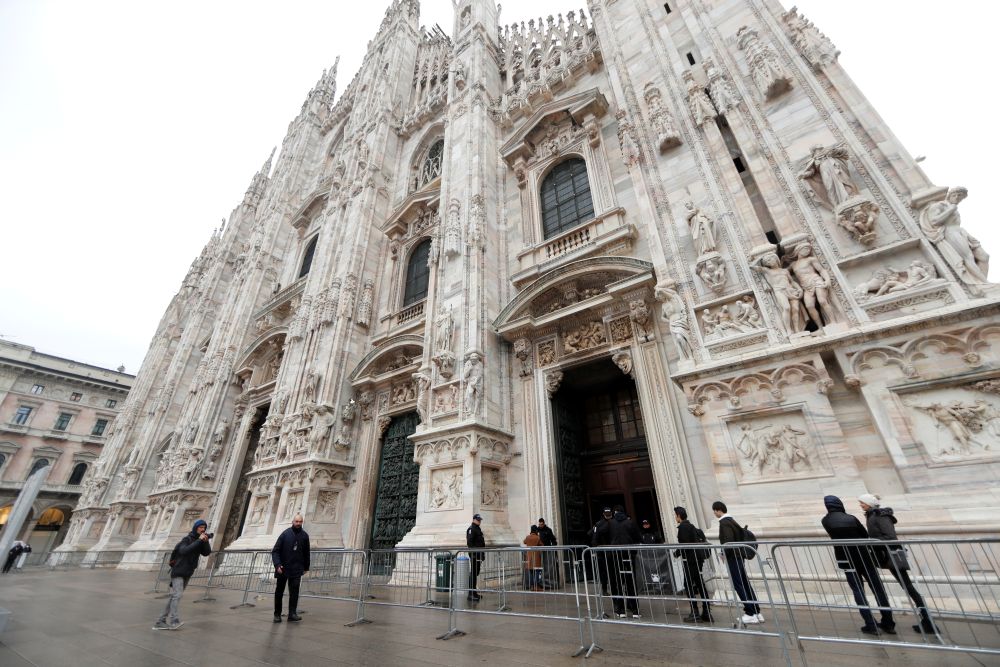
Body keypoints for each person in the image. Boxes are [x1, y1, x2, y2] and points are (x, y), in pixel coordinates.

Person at [858, 493, 935, 635]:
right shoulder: (872, 515)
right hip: (886, 555)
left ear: (869, 503)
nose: (860, 504)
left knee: (908, 587)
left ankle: (929, 622)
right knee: (907, 587)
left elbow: (890, 536)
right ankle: (926, 622)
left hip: (892, 555)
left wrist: (873, 542)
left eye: (862, 502)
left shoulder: (880, 515)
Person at [821, 495, 895, 636]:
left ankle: (870, 624)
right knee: (878, 588)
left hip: (846, 559)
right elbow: (864, 535)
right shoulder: (851, 518)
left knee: (857, 590)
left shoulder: (825, 521)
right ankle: (888, 622)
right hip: (864, 557)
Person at [153, 519, 211, 630]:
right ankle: (174, 621)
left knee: (174, 596)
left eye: (204, 527)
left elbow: (206, 553)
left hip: (188, 571)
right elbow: (184, 551)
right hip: (178, 571)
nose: (202, 529)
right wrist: (199, 541)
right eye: (200, 527)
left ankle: (160, 621)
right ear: (195, 528)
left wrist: (206, 540)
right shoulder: (187, 539)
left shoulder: (200, 540)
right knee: (177, 595)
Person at [713, 501, 762, 625]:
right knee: (745, 583)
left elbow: (728, 541)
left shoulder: (724, 523)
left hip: (733, 557)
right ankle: (756, 611)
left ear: (718, 510)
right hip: (739, 556)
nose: (714, 513)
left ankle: (750, 612)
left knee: (738, 584)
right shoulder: (732, 521)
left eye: (714, 510)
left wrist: (723, 553)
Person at [674, 507, 712, 623]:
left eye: (675, 515)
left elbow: (685, 544)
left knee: (689, 584)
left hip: (690, 560)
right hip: (697, 560)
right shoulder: (692, 527)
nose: (675, 517)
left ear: (679, 516)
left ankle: (695, 612)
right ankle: (706, 611)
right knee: (700, 584)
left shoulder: (683, 528)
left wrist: (677, 553)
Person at [271, 513, 310, 623]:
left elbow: (307, 553)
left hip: (297, 568)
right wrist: (277, 565)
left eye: (300, 521)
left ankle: (292, 614)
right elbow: (275, 551)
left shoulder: (305, 536)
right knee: (279, 592)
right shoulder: (285, 534)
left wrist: (306, 567)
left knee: (294, 592)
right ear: (292, 522)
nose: (298, 523)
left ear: (302, 522)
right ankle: (277, 614)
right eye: (296, 521)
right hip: (283, 568)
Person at [607, 505, 641, 619]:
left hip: (616, 556)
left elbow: (606, 537)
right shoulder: (630, 522)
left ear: (615, 512)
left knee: (618, 582)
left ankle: (621, 610)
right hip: (628, 555)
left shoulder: (611, 523)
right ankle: (635, 609)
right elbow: (638, 538)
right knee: (630, 582)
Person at [466, 513, 485, 601]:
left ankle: (474, 592)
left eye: (480, 520)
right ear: (474, 520)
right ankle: (470, 594)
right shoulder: (471, 529)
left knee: (475, 573)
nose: (479, 521)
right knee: (473, 573)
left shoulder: (477, 529)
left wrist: (482, 554)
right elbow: (470, 543)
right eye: (478, 520)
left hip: (478, 555)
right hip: (474, 555)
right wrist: (474, 554)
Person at [536, 518, 559, 589]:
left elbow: (553, 539)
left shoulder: (548, 530)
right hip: (539, 551)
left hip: (547, 551)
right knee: (539, 566)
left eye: (541, 524)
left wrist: (554, 547)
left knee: (547, 566)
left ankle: (548, 583)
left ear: (544, 523)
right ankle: (540, 582)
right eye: (539, 524)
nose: (540, 526)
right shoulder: (537, 530)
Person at [523, 525, 544, 591]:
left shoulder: (528, 537)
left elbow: (524, 542)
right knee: (537, 572)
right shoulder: (537, 537)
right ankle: (536, 586)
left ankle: (532, 586)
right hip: (536, 557)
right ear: (536, 530)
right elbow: (542, 545)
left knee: (531, 572)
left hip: (529, 557)